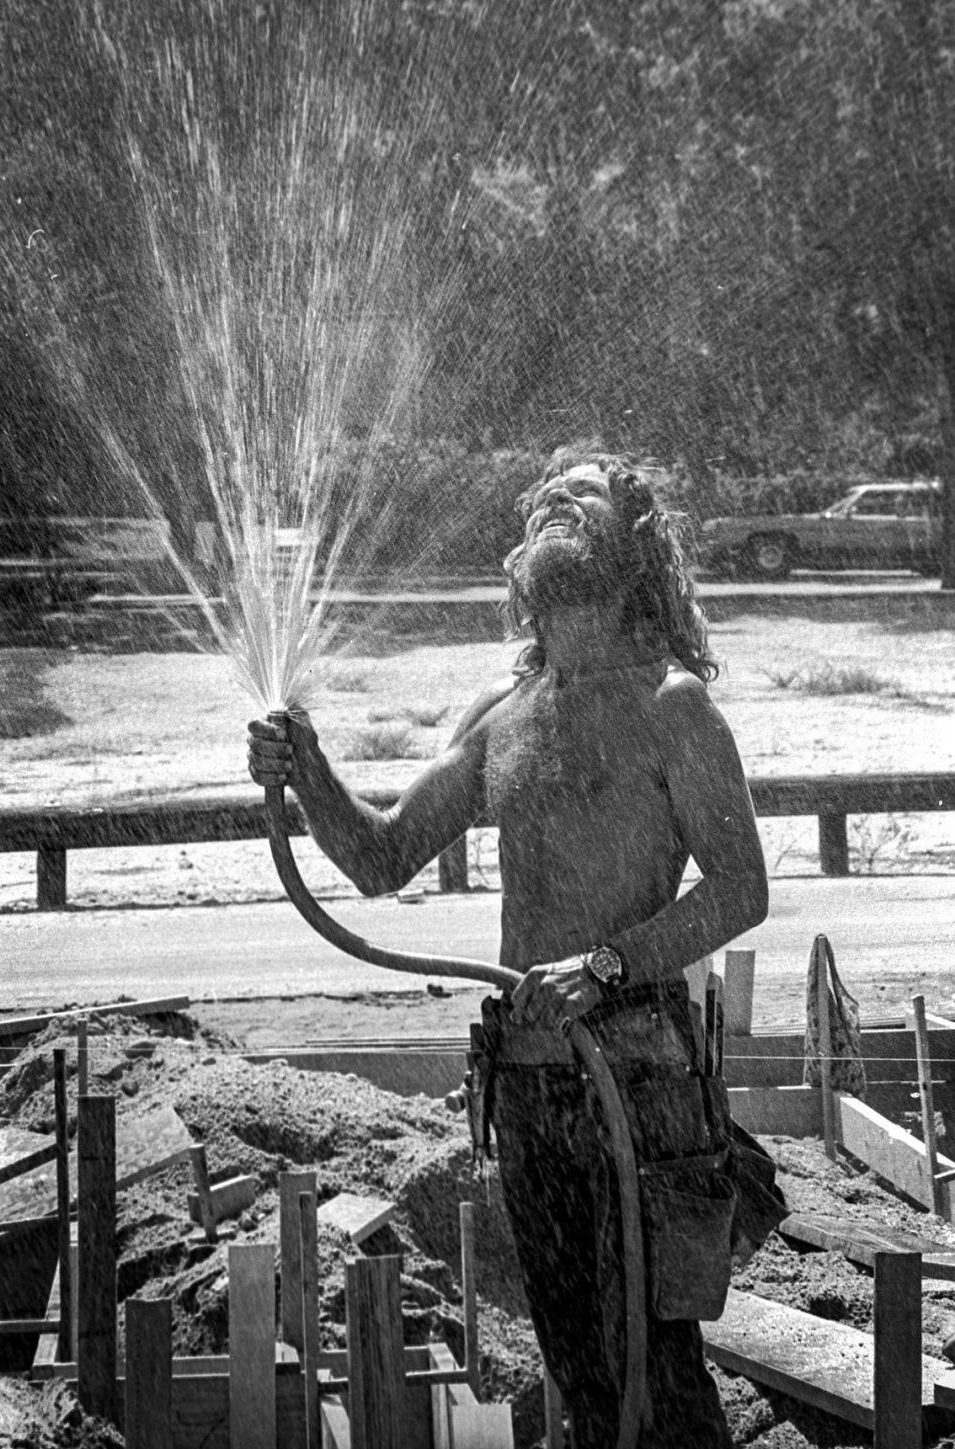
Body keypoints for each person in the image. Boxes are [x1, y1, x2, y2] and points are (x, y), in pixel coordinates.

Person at [248, 445, 784, 1448]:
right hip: (531, 1091)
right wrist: (305, 767)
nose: (552, 506)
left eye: (577, 497)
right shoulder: (504, 716)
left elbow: (743, 888)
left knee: (655, 1371)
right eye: (542, 500)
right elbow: (380, 855)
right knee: (576, 1362)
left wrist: (607, 964)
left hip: (638, 1092)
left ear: (633, 544)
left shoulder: (672, 706)